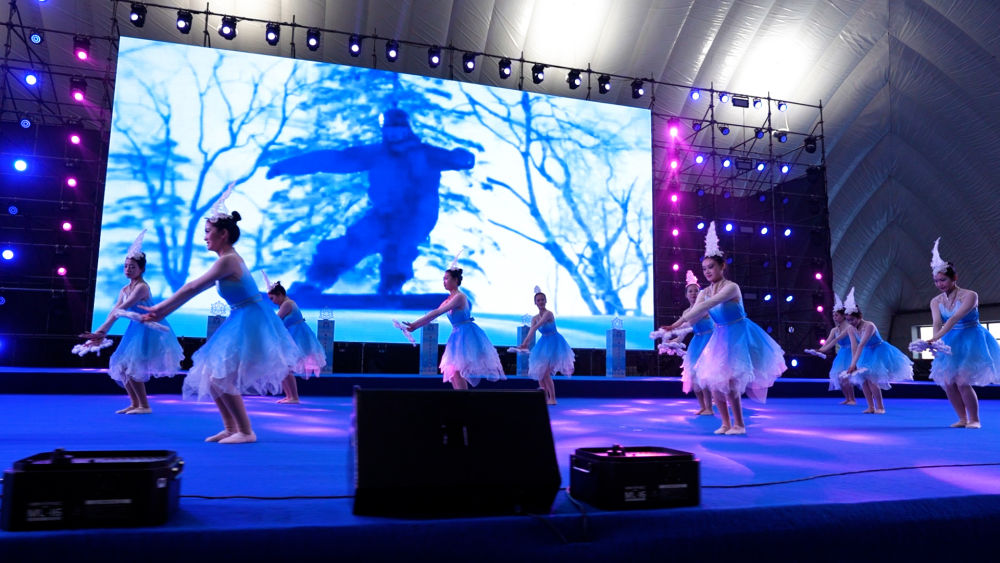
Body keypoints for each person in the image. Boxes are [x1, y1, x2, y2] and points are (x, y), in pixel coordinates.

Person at [142, 188, 303, 444]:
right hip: (242, 318)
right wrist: (161, 312)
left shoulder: (228, 260)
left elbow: (191, 287)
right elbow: (193, 291)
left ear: (223, 234)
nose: (205, 237)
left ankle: (246, 431)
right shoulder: (226, 261)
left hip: (251, 321)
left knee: (221, 376)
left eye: (208, 231)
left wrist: (159, 310)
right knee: (211, 374)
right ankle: (230, 428)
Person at [266, 108, 475, 294]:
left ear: (407, 130)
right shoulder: (376, 154)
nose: (394, 134)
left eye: (399, 129)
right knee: (352, 242)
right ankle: (316, 283)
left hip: (416, 215)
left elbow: (456, 160)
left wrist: (461, 158)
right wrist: (284, 166)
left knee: (400, 246)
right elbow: (334, 159)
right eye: (389, 130)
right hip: (384, 214)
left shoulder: (426, 154)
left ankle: (391, 288)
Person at [663, 222, 786, 435]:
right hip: (719, 336)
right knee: (713, 380)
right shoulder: (705, 292)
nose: (707, 272)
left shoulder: (731, 287)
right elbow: (695, 313)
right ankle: (725, 423)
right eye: (704, 269)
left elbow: (708, 305)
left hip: (738, 335)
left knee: (730, 381)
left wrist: (675, 325)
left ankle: (739, 424)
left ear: (722, 266)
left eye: (711, 267)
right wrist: (674, 328)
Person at [79, 230, 184, 414]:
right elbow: (115, 310)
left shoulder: (142, 288)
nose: (128, 269)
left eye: (132, 267)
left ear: (141, 269)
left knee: (132, 366)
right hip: (134, 328)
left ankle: (144, 405)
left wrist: (102, 332)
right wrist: (100, 332)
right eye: (126, 266)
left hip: (148, 329)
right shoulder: (125, 289)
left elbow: (122, 309)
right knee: (120, 364)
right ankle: (135, 403)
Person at [925, 239, 1000, 428]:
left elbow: (953, 319)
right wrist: (936, 342)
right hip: (950, 339)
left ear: (954, 278)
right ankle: (962, 418)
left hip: (971, 339)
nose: (939, 284)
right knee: (948, 382)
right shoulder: (935, 301)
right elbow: (937, 322)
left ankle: (974, 419)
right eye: (936, 281)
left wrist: (934, 338)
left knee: (962, 381)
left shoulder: (970, 295)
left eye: (943, 280)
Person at [404, 266, 505, 389]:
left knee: (457, 370)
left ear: (456, 280)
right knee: (452, 371)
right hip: (457, 334)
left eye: (447, 278)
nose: (444, 281)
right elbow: (434, 314)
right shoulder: (448, 300)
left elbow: (438, 312)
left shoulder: (460, 297)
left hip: (466, 334)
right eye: (443, 279)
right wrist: (415, 326)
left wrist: (415, 324)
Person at [842, 288, 913, 414]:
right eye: (848, 320)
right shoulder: (850, 329)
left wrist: (853, 365)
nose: (850, 322)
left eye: (852, 319)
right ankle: (870, 407)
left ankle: (880, 407)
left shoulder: (869, 326)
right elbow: (854, 346)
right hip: (866, 352)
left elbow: (861, 344)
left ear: (860, 317)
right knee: (863, 380)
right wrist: (853, 363)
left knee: (872, 379)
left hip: (879, 351)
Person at [266, 279, 327, 404]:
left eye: (272, 298)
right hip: (292, 338)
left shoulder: (287, 304)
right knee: (283, 367)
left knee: (286, 367)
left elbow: (276, 320)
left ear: (280, 294)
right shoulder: (285, 304)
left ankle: (294, 397)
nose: (272, 301)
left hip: (298, 338)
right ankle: (290, 396)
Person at [664, 270, 714, 415]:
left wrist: (673, 329)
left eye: (696, 291)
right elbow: (683, 333)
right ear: (686, 295)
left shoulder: (704, 307)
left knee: (704, 376)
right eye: (690, 291)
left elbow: (688, 324)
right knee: (692, 375)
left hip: (709, 341)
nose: (693, 293)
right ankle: (702, 406)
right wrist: (673, 341)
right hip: (697, 341)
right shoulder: (686, 312)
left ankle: (709, 407)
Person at [514, 287, 575, 405]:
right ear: (535, 303)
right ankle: (544, 397)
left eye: (542, 300)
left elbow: (537, 326)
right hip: (543, 343)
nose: (541, 302)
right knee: (540, 372)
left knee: (545, 372)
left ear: (546, 301)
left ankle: (553, 398)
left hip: (555, 343)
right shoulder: (534, 318)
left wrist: (525, 343)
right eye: (538, 300)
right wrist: (525, 343)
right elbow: (532, 330)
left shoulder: (548, 314)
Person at [808, 294, 857, 405]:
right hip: (842, 353)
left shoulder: (849, 328)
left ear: (843, 316)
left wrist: (821, 351)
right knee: (839, 376)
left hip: (851, 353)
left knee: (846, 377)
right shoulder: (834, 330)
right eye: (833, 315)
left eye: (836, 315)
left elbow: (835, 341)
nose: (834, 317)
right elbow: (827, 342)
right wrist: (818, 351)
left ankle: (852, 399)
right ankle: (848, 398)